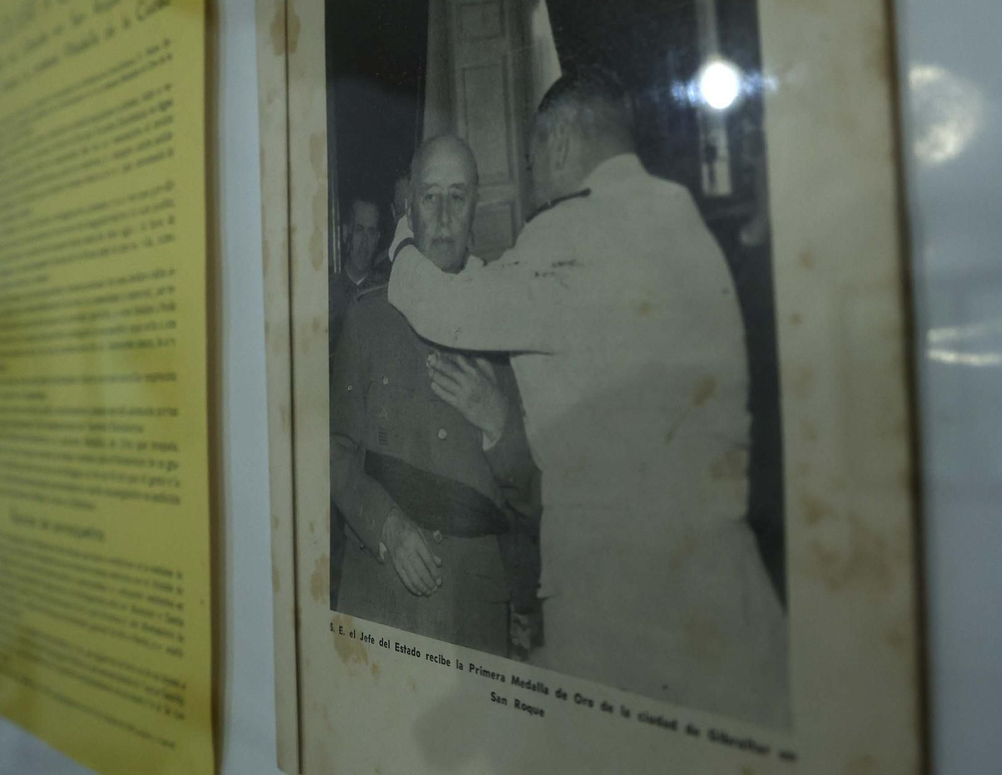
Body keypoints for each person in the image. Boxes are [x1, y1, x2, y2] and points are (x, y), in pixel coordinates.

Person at [386, 69, 789, 727]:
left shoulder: (572, 232)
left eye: (532, 159)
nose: (533, 175)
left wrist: (404, 237)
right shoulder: (682, 222)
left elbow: (446, 310)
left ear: (562, 144)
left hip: (621, 590)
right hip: (723, 577)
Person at [330, 135, 536, 655]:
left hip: (473, 619)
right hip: (381, 608)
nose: (443, 216)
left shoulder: (510, 326)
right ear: (409, 210)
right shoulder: (368, 317)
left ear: (476, 208)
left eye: (457, 197)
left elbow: (536, 495)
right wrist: (385, 526)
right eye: (430, 197)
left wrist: (499, 422)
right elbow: (330, 452)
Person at [329, 196, 383, 346]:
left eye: (371, 232)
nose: (365, 242)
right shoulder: (329, 291)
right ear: (345, 233)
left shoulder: (385, 291)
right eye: (359, 230)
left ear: (377, 238)